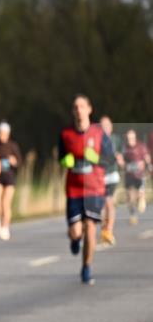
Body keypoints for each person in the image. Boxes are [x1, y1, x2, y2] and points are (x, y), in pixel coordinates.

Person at [59, 96, 113, 285]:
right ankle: (75, 240)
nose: (79, 110)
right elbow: (61, 157)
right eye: (75, 107)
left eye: (82, 106)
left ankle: (87, 267)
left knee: (90, 226)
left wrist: (97, 158)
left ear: (89, 109)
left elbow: (110, 159)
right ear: (73, 111)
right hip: (74, 189)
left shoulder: (99, 133)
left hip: (94, 188)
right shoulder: (66, 134)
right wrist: (66, 161)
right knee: (75, 231)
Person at [0, 121, 22, 241]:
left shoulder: (13, 146)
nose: (2, 135)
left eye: (5, 133)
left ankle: (5, 227)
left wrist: (14, 162)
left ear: (8, 134)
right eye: (0, 133)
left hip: (9, 178)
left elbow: (19, 162)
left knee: (6, 204)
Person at [98, 115, 123, 246]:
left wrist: (120, 160)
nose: (105, 128)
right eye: (102, 126)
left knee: (109, 202)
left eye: (107, 125)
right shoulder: (96, 140)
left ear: (111, 127)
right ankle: (104, 229)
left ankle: (109, 230)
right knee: (102, 204)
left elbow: (120, 155)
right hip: (100, 175)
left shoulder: (116, 140)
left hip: (112, 175)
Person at [122, 128, 150, 225]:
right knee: (129, 196)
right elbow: (122, 161)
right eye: (128, 138)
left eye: (131, 138)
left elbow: (147, 158)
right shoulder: (125, 148)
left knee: (140, 195)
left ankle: (141, 199)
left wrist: (147, 164)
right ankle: (133, 215)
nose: (130, 140)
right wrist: (124, 165)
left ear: (135, 137)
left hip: (140, 175)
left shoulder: (141, 146)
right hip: (129, 175)